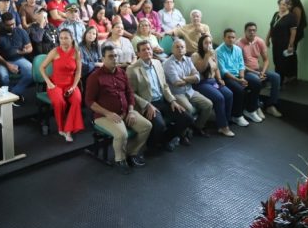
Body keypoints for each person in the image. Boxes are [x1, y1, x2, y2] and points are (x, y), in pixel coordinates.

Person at [85, 45, 153, 174]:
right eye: (110, 56)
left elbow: (130, 93)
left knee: (147, 126)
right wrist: (108, 113)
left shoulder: (122, 72)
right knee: (122, 134)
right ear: (103, 58)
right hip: (103, 116)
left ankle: (131, 153)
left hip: (125, 112)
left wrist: (132, 111)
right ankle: (120, 159)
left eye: (116, 56)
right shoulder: (94, 77)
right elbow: (89, 102)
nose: (114, 59)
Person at [127, 40, 196, 151]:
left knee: (187, 118)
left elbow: (164, 86)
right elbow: (131, 93)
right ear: (138, 53)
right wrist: (147, 105)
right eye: (143, 50)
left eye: (148, 49)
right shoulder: (132, 69)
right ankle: (151, 145)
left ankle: (164, 140)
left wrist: (172, 100)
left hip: (162, 100)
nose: (147, 51)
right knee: (160, 125)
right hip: (148, 104)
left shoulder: (157, 63)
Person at [162, 37, 214, 136]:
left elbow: (197, 77)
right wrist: (191, 78)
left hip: (190, 90)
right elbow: (177, 83)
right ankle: (183, 134)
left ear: (185, 49)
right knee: (189, 109)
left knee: (208, 104)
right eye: (177, 47)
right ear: (172, 50)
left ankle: (197, 127)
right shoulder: (168, 63)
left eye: (182, 47)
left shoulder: (188, 60)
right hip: (177, 94)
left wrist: (185, 78)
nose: (180, 49)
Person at [39, 28, 84, 142]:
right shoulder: (55, 51)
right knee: (60, 102)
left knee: (77, 100)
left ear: (72, 39)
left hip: (71, 84)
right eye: (61, 38)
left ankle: (68, 130)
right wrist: (48, 83)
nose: (63, 41)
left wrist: (74, 87)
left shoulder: (76, 52)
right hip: (55, 85)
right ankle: (61, 128)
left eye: (66, 38)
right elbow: (42, 67)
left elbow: (78, 72)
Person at [191, 33, 237, 136]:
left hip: (212, 81)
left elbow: (216, 68)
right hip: (201, 83)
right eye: (206, 43)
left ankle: (226, 120)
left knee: (229, 94)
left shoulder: (214, 53)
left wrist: (219, 79)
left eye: (210, 42)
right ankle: (223, 126)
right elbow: (201, 69)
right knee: (219, 97)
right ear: (201, 44)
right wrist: (207, 56)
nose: (209, 45)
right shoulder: (196, 55)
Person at [217, 27, 264, 123]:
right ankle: (236, 115)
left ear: (235, 38)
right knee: (240, 89)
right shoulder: (218, 51)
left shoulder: (238, 49)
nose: (231, 39)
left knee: (257, 83)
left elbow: (241, 65)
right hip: (227, 77)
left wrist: (242, 77)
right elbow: (223, 71)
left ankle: (250, 110)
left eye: (233, 37)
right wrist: (238, 80)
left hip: (239, 75)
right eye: (228, 37)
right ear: (224, 38)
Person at [239, 22, 283, 118]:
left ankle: (270, 105)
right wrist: (257, 73)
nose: (252, 32)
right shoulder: (239, 44)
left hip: (258, 69)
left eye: (254, 30)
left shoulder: (259, 41)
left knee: (276, 77)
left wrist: (262, 72)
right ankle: (256, 106)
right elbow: (240, 64)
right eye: (249, 30)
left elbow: (266, 60)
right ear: (245, 32)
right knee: (256, 79)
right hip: (246, 71)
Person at [0, 11, 34, 98]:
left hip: (18, 58)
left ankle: (13, 93)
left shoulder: (21, 31)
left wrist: (24, 51)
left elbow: (30, 47)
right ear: (3, 24)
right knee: (4, 77)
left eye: (13, 24)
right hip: (2, 61)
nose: (12, 26)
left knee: (32, 72)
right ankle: (10, 96)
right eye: (8, 25)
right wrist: (8, 65)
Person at [268, 0, 299, 84]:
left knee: (282, 63)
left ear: (289, 6)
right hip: (275, 42)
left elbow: (293, 32)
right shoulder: (276, 14)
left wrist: (290, 45)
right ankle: (277, 81)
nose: (282, 6)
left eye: (285, 5)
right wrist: (267, 39)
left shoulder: (291, 17)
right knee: (276, 61)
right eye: (281, 4)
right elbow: (271, 28)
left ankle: (279, 83)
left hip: (284, 43)